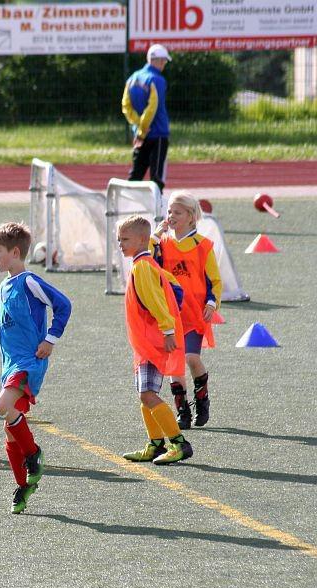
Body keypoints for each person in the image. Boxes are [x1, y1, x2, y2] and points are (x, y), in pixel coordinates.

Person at [0, 222, 72, 514]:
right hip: (10, 366)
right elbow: (0, 321)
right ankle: (24, 485)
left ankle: (34, 454)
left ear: (15, 252)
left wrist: (50, 339)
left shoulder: (28, 281)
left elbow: (63, 305)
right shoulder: (4, 286)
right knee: (10, 429)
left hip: (28, 362)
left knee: (2, 406)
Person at [116, 216, 194, 465]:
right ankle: (156, 443)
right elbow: (173, 287)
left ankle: (179, 443)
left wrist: (168, 330)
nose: (120, 244)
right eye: (119, 239)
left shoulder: (143, 267)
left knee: (148, 394)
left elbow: (155, 300)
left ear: (141, 240)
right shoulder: (145, 263)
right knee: (145, 394)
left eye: (124, 239)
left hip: (152, 342)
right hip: (145, 344)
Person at [153, 191, 220, 429]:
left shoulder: (203, 246)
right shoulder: (162, 244)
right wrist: (156, 236)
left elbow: (214, 281)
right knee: (174, 362)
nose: (171, 216)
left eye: (177, 212)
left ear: (191, 216)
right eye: (169, 211)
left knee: (191, 358)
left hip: (194, 315)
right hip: (170, 316)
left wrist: (211, 303)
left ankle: (202, 399)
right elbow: (148, 263)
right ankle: (182, 410)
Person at [122, 44, 172, 193]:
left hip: (139, 135)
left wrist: (138, 126)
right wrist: (144, 127)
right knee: (157, 178)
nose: (164, 64)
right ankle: (156, 206)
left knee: (135, 175)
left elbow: (126, 106)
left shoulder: (132, 78)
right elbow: (152, 107)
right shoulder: (157, 79)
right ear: (158, 60)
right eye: (163, 61)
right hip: (158, 133)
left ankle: (127, 203)